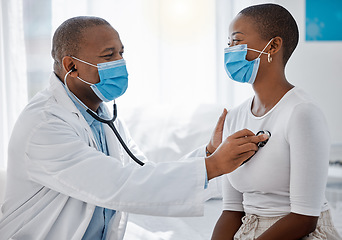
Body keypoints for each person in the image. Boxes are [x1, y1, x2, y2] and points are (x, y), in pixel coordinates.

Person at [0, 16, 268, 240]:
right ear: (72, 65)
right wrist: (214, 166)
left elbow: (141, 171)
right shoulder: (44, 125)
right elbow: (117, 184)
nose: (120, 63)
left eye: (121, 53)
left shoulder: (102, 113)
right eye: (109, 56)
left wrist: (209, 153)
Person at [211, 3, 341, 240]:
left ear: (273, 45)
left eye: (237, 41)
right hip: (248, 230)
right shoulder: (234, 117)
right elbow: (231, 210)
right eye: (228, 43)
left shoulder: (302, 112)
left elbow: (304, 219)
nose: (230, 50)